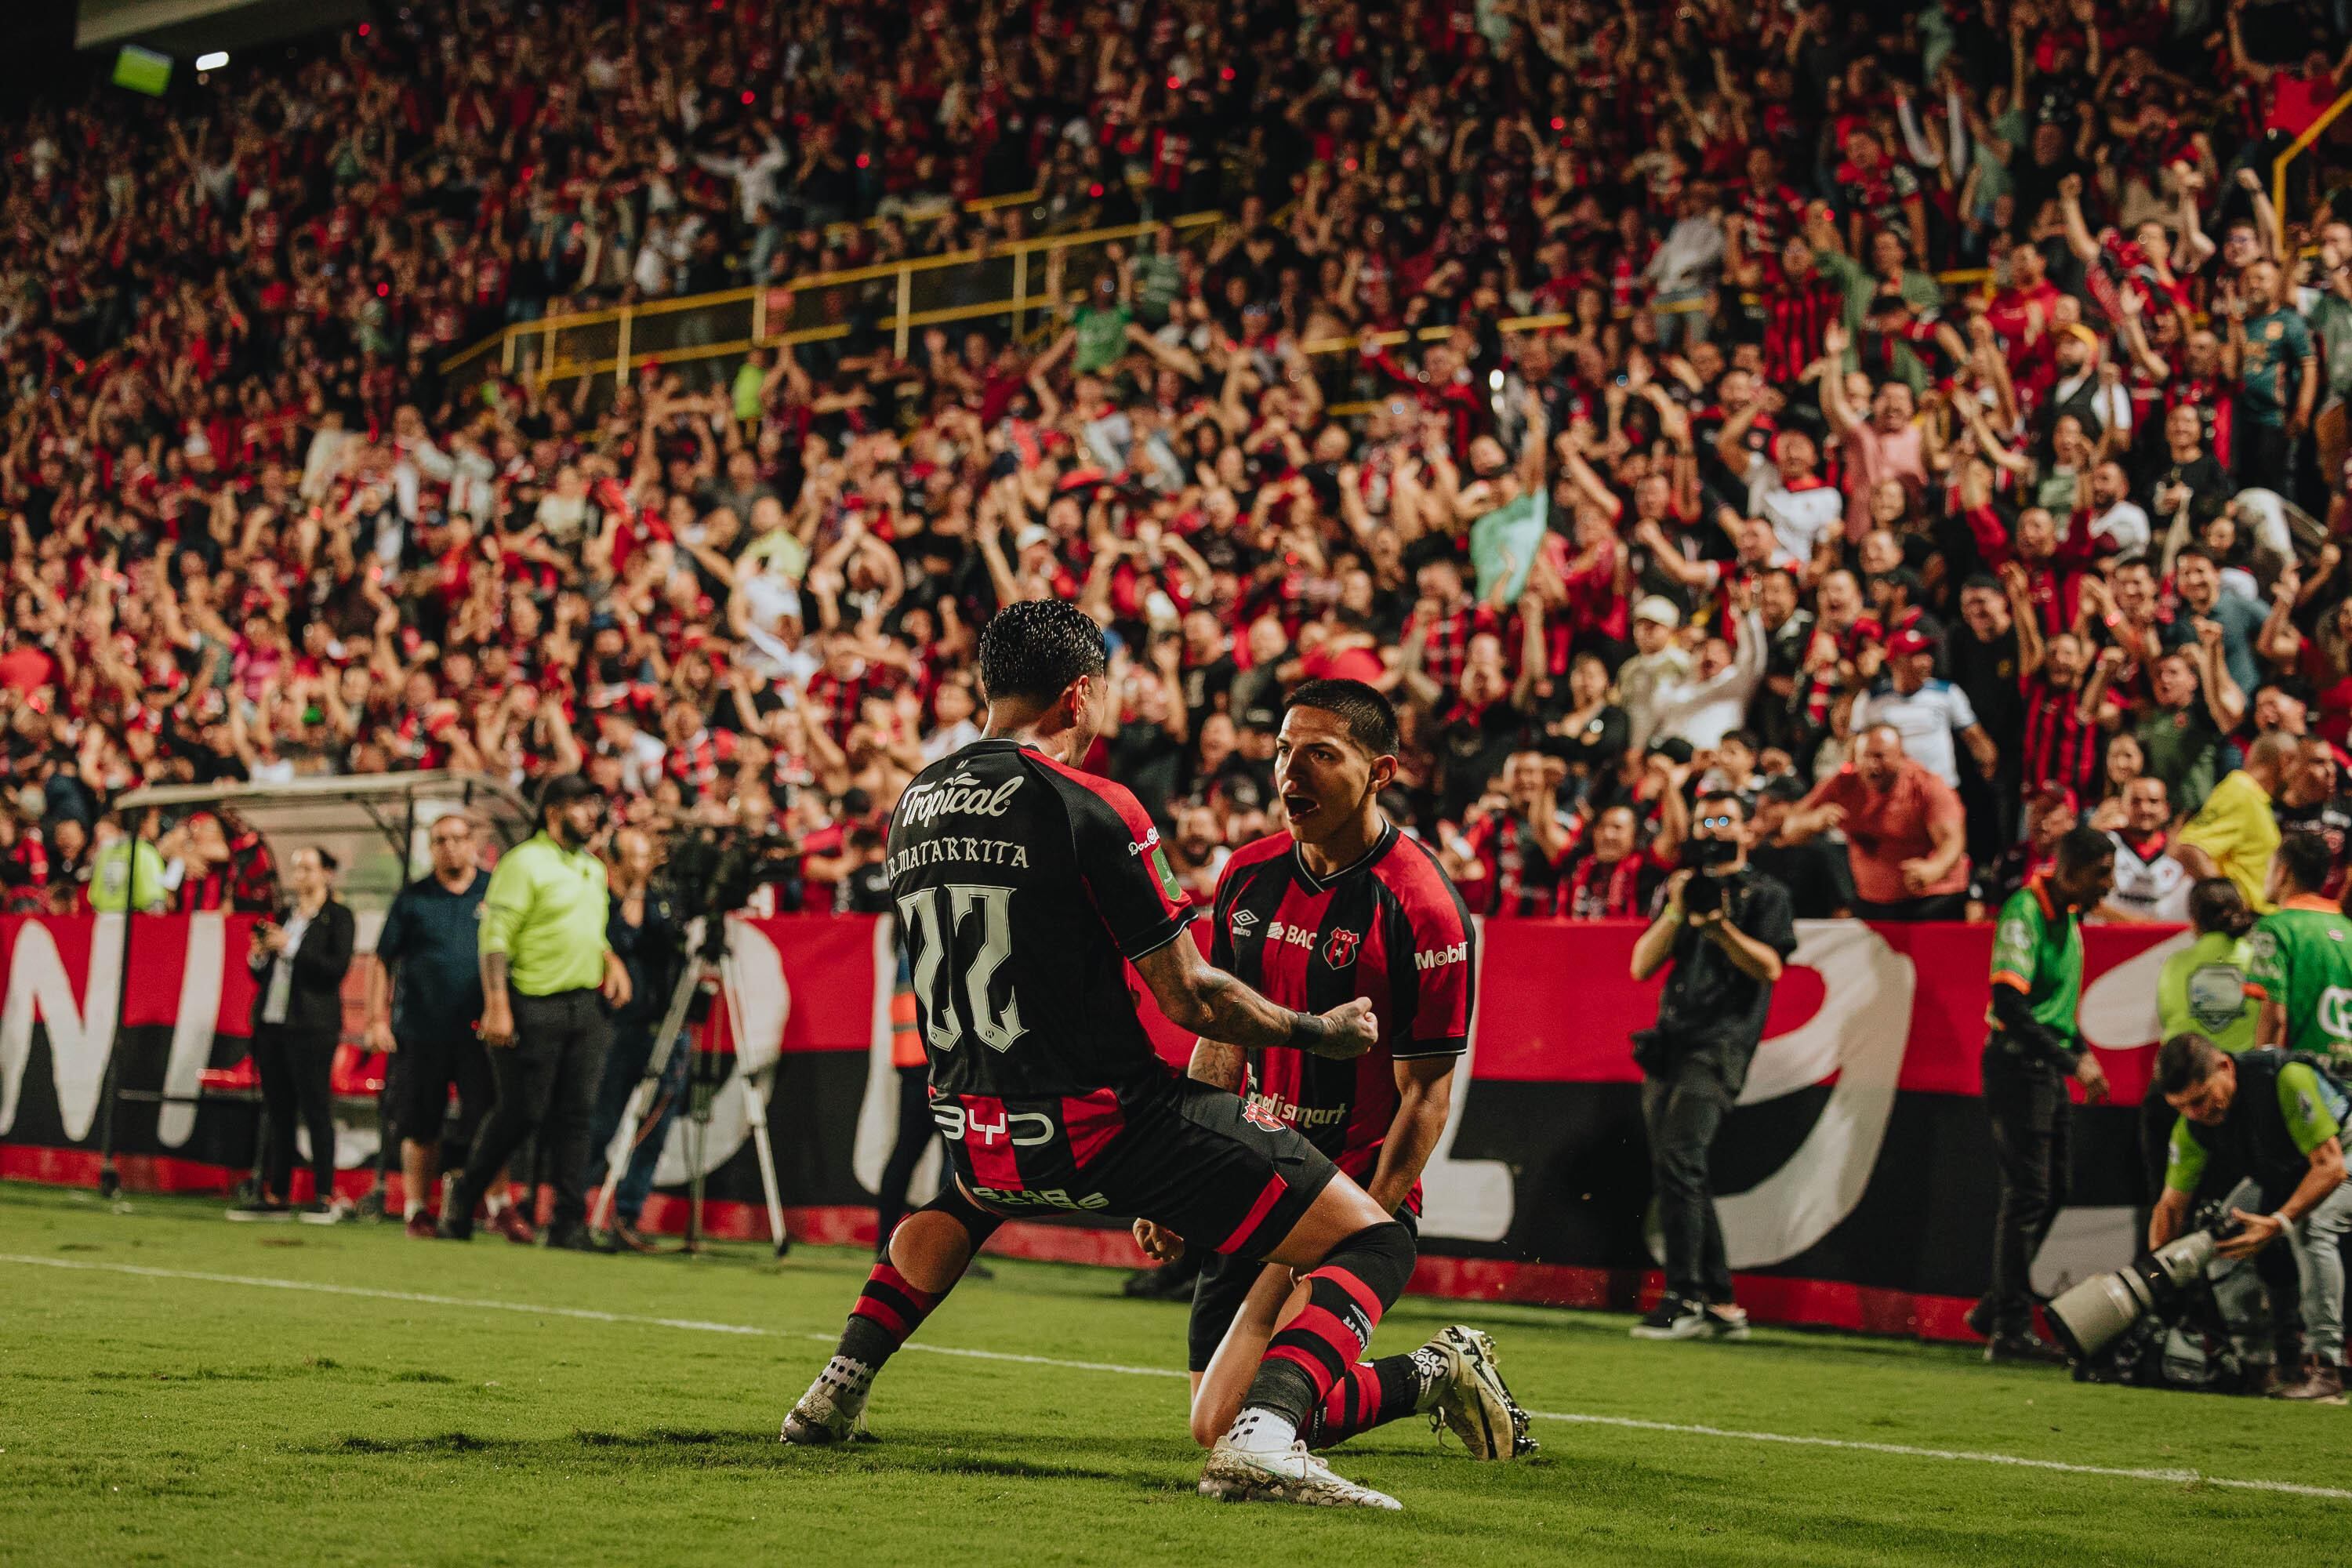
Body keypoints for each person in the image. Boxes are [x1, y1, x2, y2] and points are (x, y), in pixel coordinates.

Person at [777, 601, 1414, 1512]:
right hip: (1109, 1127)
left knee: (963, 1200)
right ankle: (1268, 1435)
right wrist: (1319, 1031)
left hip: (976, 1123)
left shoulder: (915, 797)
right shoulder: (1091, 802)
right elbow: (1190, 994)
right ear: (1080, 693)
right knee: (1372, 1237)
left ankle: (834, 1388)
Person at [1140, 678, 1530, 1465]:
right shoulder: (1249, 874)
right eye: (1285, 750)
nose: (1291, 773)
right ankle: (1444, 1370)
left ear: (1381, 772)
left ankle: (1428, 1364)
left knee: (1229, 1425)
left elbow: (1426, 1094)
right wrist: (1177, 1175)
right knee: (1213, 1414)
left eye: (1321, 754)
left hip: (1343, 1191)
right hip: (1253, 1173)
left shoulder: (1423, 907)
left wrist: (1362, 1225)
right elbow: (1223, 1038)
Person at [1626, 790, 1798, 1340]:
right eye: (1705, 820)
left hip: (1721, 1044)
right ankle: (1721, 1302)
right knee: (1680, 1169)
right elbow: (1641, 965)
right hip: (1672, 1040)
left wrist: (1720, 926)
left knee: (1681, 1159)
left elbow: (1769, 967)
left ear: (1749, 829)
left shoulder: (1766, 894)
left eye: (1725, 819)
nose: (1714, 830)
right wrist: (1681, 908)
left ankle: (1685, 1297)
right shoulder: (1681, 887)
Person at [437, 773, 631, 1251]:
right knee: (522, 1113)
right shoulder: (523, 863)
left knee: (578, 1115)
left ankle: (569, 1223)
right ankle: (463, 1196)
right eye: (582, 805)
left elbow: (589, 928)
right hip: (530, 1002)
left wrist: (610, 958)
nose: (592, 815)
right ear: (554, 811)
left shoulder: (591, 867)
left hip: (585, 1004)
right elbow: (495, 936)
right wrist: (497, 1004)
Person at [1973, 826, 2115, 1363]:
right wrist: (2071, 1060)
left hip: (2046, 1065)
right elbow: (2010, 1005)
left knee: (2054, 1189)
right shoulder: (2024, 912)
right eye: (2102, 874)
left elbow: (2053, 1008)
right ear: (2071, 869)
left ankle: (1995, 1307)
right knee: (2028, 1194)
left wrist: (2077, 1051)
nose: (2110, 885)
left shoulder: (2071, 916)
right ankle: (2009, 1329)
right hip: (2017, 1067)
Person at [2152, 1033, 2352, 1402]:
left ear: (2225, 1067)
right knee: (2217, 1237)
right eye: (2181, 1107)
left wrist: (2279, 1221)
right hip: (2290, 1170)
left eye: (2199, 1099)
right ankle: (2260, 1367)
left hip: (2342, 1152)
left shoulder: (2284, 1077)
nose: (2195, 1114)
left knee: (2310, 1227)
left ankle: (2328, 1367)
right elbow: (2170, 1207)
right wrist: (2158, 1274)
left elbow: (2331, 1167)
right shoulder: (2192, 1126)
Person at [368, 814, 511, 1241]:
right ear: (431, 849)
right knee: (419, 1122)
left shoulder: (495, 892)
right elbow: (382, 959)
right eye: (440, 840)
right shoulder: (414, 898)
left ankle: (498, 1205)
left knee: (490, 1119)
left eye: (457, 838)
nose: (449, 847)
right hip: (421, 1028)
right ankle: (417, 1208)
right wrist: (377, 1017)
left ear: (474, 842)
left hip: (481, 1030)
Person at [226, 848, 357, 1223]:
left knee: (316, 1108)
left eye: (307, 868)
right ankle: (277, 1192)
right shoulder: (285, 916)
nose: (300, 875)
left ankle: (323, 1194)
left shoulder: (338, 918)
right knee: (278, 1110)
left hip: (312, 1026)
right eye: (296, 868)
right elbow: (263, 974)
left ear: (326, 874)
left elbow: (334, 970)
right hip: (272, 1022)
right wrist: (259, 955)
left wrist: (291, 947)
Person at [582, 826, 688, 1253]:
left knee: (654, 1130)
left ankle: (627, 1216)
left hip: (666, 1027)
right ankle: (573, 1209)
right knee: (601, 1123)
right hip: (618, 1028)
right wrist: (636, 889)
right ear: (616, 860)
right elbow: (624, 936)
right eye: (636, 856)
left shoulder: (668, 897)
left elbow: (671, 942)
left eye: (648, 855)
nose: (645, 864)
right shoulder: (601, 901)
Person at [1781, 724, 1969, 920]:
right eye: (1866, 757)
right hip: (1871, 902)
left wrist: (1935, 868)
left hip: (1932, 899)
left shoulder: (1927, 786)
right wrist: (1812, 822)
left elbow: (1952, 842)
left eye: (1880, 756)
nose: (1872, 765)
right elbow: (1789, 829)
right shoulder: (1842, 784)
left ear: (1901, 756)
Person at [2246, 830, 2352, 1068]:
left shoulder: (2275, 929)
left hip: (2307, 1081)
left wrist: (2260, 1077)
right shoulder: (2349, 928)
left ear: (2282, 872)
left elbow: (2275, 1017)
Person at [2173, 731, 2297, 914]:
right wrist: (2231, 909)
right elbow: (2190, 850)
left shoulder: (2255, 798)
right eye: (2298, 765)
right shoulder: (2240, 791)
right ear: (2285, 761)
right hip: (2246, 925)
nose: (2298, 776)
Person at [2096, 776, 2189, 924]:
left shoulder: (2183, 852)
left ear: (2166, 809)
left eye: (2153, 802)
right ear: (2122, 806)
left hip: (2166, 941)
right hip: (2112, 935)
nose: (2144, 809)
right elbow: (2087, 901)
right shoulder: (2102, 844)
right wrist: (2137, 923)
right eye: (2135, 801)